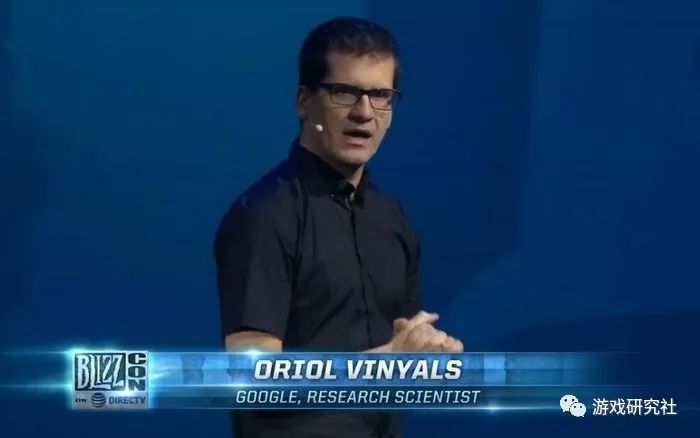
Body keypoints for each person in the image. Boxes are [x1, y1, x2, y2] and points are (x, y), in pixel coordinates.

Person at [214, 16, 463, 438]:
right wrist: (383, 366)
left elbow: (399, 363)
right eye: (344, 92)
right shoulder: (264, 215)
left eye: (380, 96)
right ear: (303, 101)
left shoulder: (393, 219)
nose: (363, 113)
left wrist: (428, 354)